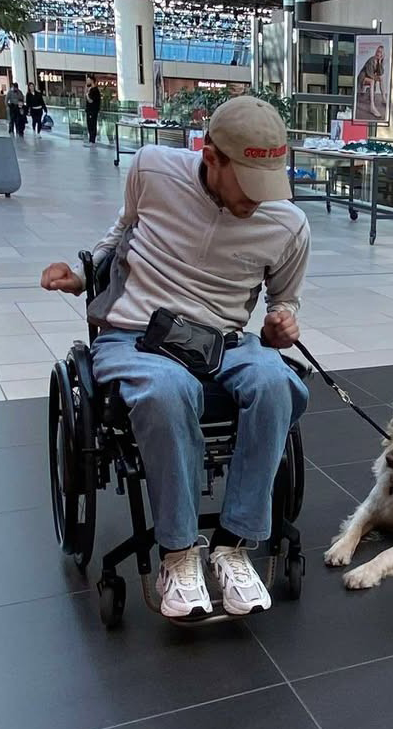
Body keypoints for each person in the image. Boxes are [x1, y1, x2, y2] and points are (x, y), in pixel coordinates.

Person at [40, 96, 308, 620]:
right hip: (137, 336)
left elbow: (285, 301)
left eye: (267, 185)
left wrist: (282, 324)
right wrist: (83, 273)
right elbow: (121, 235)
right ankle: (180, 556)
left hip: (221, 342)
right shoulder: (153, 169)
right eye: (247, 184)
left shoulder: (288, 224)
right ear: (212, 156)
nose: (258, 201)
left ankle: (233, 545)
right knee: (167, 390)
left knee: (274, 381)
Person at [358, 44, 387, 119]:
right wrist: (376, 78)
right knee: (372, 81)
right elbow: (369, 73)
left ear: (382, 55)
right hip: (362, 77)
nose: (378, 53)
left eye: (380, 52)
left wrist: (380, 63)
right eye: (378, 51)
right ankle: (372, 107)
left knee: (381, 78)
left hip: (369, 77)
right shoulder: (371, 60)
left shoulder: (378, 61)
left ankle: (383, 98)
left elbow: (380, 73)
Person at [85, 76, 101, 145]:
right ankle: (90, 140)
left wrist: (87, 95)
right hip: (89, 110)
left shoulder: (95, 90)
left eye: (88, 80)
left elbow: (91, 100)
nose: (87, 82)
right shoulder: (90, 89)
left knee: (92, 125)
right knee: (89, 125)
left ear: (91, 81)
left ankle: (92, 140)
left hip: (93, 111)